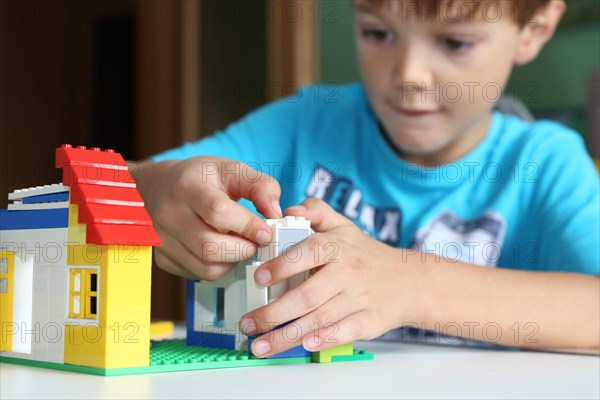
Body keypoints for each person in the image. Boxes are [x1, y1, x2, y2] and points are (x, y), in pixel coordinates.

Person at [133, 0, 599, 357]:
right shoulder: (304, 124)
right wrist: (156, 190)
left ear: (534, 29)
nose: (409, 75)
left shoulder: (546, 164)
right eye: (377, 32)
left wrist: (412, 284)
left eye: (455, 42)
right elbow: (123, 181)